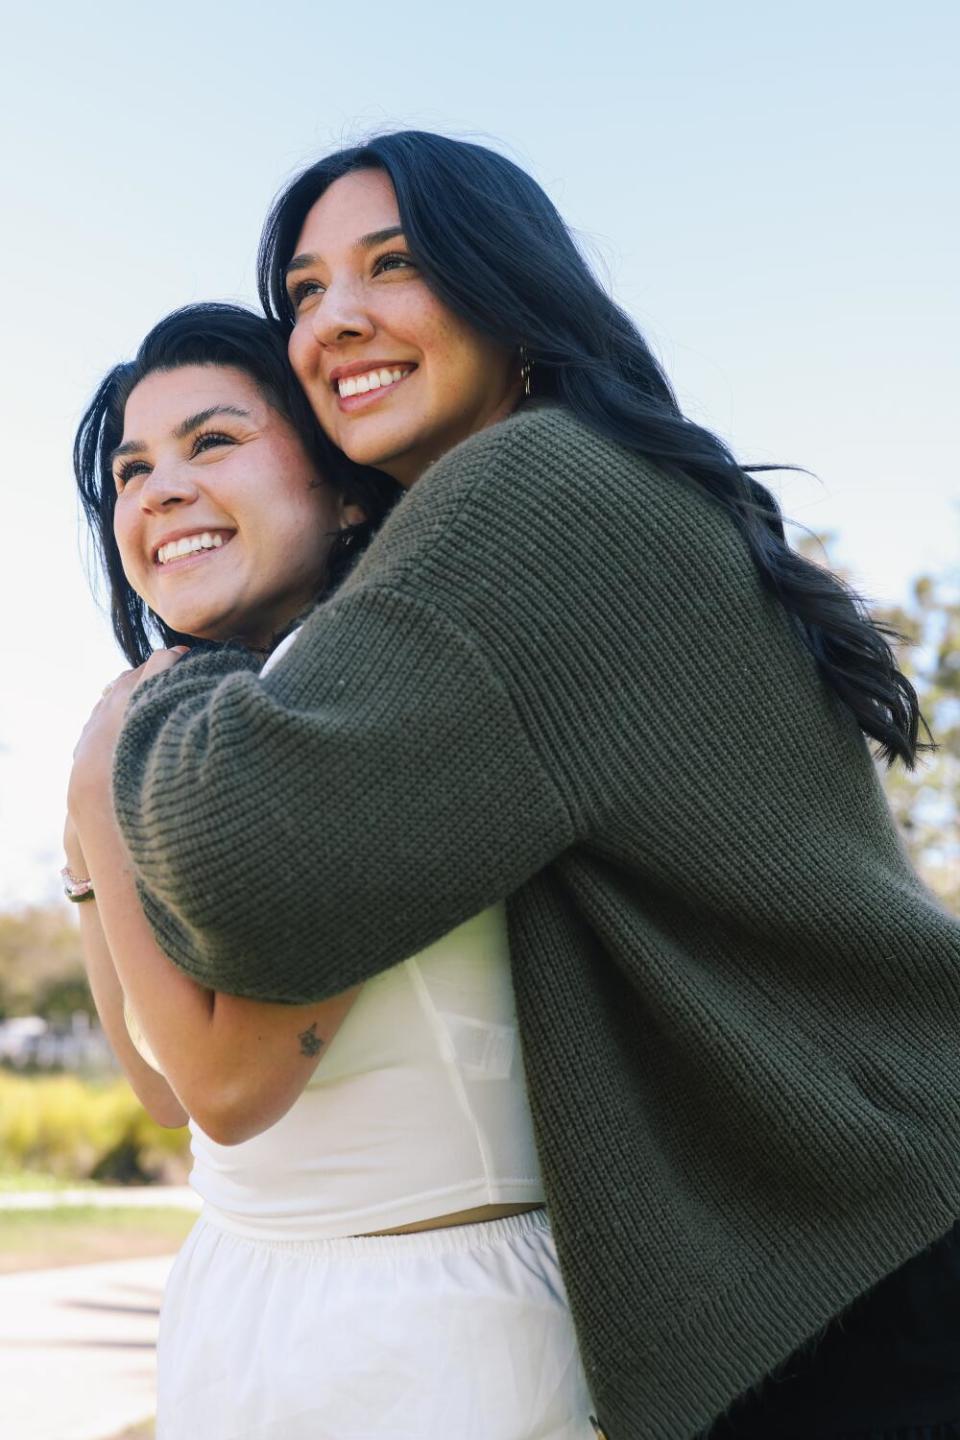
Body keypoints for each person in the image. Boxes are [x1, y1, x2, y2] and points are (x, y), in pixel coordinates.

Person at [73, 133, 960, 1439]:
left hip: (853, 1253)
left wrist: (143, 715)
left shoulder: (534, 490)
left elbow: (256, 865)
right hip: (830, 1216)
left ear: (509, 288)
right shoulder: (575, 487)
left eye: (395, 265)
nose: (339, 319)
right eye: (304, 291)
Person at [69, 302, 598, 1439]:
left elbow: (228, 1090)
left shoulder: (359, 684)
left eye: (213, 442)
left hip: (417, 1330)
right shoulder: (217, 730)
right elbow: (164, 1094)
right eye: (133, 467)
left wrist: (92, 807)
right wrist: (87, 863)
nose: (157, 490)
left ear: (346, 490)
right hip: (255, 1296)